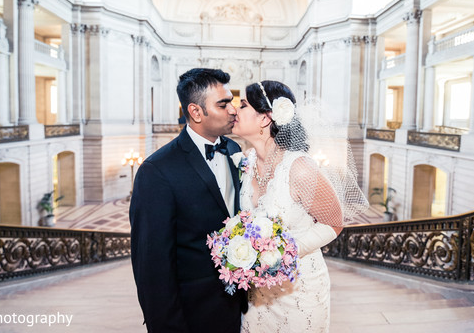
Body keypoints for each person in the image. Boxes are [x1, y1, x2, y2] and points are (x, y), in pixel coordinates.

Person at [232, 80, 368, 332]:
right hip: (257, 292)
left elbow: (334, 223)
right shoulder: (244, 163)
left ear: (265, 118)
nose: (234, 110)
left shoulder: (300, 168)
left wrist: (284, 253)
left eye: (242, 104)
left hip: (299, 289)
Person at [130, 68, 247, 332]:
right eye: (224, 104)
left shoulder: (233, 149)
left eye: (233, 101)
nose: (233, 110)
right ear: (195, 112)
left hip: (237, 308)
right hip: (191, 314)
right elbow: (151, 264)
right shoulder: (157, 170)